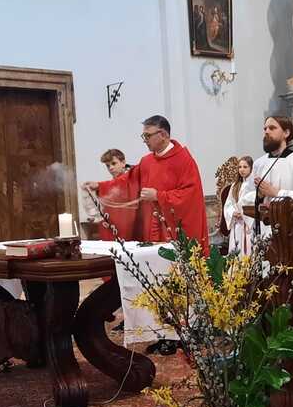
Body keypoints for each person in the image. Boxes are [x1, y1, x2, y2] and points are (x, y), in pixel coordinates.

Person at [82, 115, 209, 355]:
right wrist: (100, 186)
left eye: (148, 135)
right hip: (152, 234)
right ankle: (161, 333)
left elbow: (191, 195)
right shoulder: (147, 161)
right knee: (155, 283)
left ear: (164, 134)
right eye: (144, 136)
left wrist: (159, 196)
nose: (145, 140)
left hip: (174, 234)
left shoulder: (184, 160)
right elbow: (127, 181)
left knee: (174, 284)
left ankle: (181, 335)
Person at [240, 116, 293, 239]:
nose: (267, 131)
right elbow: (245, 199)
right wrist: (259, 196)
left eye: (272, 128)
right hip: (265, 232)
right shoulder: (259, 164)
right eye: (265, 128)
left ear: (286, 133)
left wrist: (277, 193)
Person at [95, 149, 134, 242]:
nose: (111, 168)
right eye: (108, 166)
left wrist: (98, 187)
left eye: (114, 163)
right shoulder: (112, 183)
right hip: (116, 226)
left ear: (123, 163)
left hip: (130, 226)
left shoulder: (132, 177)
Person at [222, 156, 254, 256]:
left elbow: (255, 203)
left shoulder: (254, 185)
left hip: (249, 223)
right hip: (237, 222)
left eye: (245, 167)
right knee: (237, 249)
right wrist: (233, 213)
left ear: (251, 168)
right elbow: (228, 204)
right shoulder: (235, 185)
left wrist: (244, 213)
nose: (242, 170)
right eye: (240, 167)